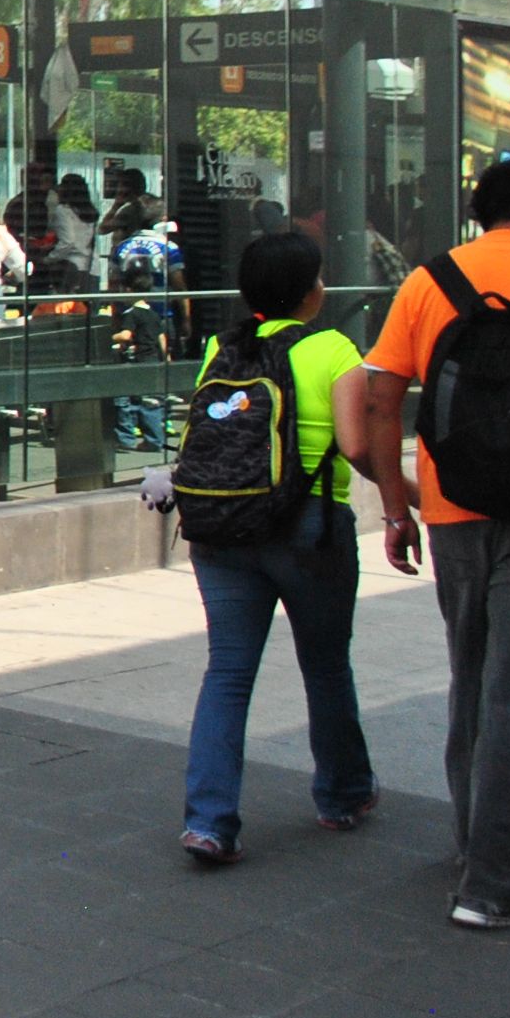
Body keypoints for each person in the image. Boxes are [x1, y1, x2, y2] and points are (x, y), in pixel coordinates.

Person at [363, 157, 510, 927]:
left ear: (481, 213)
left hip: (451, 507)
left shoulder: (431, 281)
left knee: (471, 679)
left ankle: (473, 846)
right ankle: (493, 886)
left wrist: (396, 507)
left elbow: (379, 397)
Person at [173, 232, 379, 866]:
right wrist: (405, 503)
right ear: (312, 291)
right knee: (325, 665)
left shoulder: (220, 346)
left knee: (227, 674)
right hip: (308, 531)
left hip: (221, 529)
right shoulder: (334, 347)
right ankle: (341, 795)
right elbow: (358, 445)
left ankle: (209, 821)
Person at [109, 230, 181, 451]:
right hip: (153, 361)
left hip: (136, 361)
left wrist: (110, 337)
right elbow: (162, 339)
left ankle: (126, 438)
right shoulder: (153, 314)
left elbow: (126, 336)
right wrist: (166, 358)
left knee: (126, 401)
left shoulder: (131, 314)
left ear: (128, 290)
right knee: (152, 403)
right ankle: (155, 440)